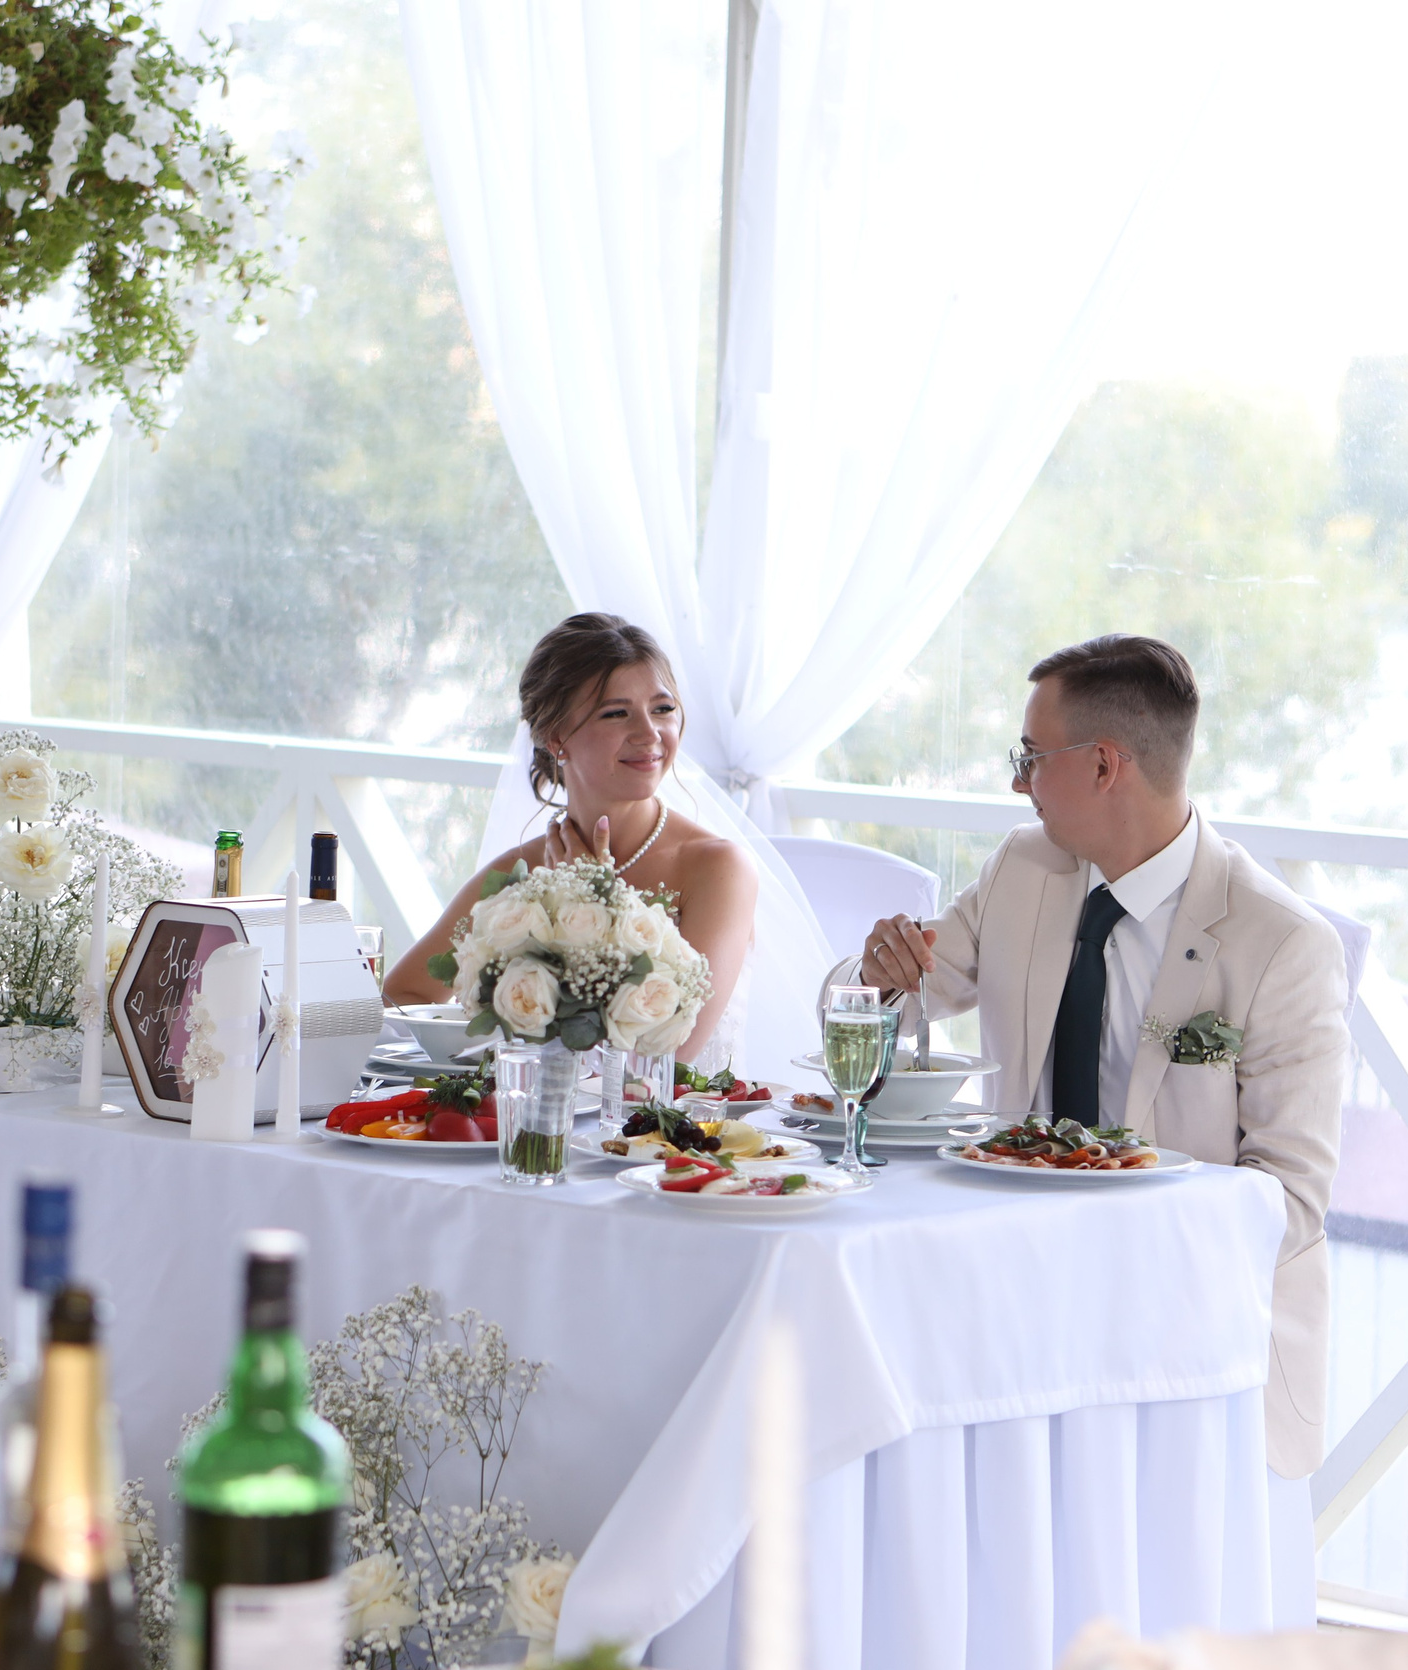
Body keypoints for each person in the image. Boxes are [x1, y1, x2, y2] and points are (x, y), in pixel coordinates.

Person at [839, 633, 1347, 1610]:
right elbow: (913, 990)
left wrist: (1120, 1199)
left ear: (1104, 764)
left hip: (1193, 1336)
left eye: (1030, 758)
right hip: (1013, 1290)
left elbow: (1290, 1201)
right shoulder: (1027, 870)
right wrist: (879, 968)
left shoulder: (1281, 942)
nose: (1021, 785)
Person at [385, 613, 759, 1066]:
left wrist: (596, 901)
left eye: (663, 709)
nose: (649, 734)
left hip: (678, 1132)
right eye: (617, 713)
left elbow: (670, 1060)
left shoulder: (718, 868)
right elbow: (402, 995)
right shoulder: (519, 871)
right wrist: (493, 1065)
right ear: (556, 736)